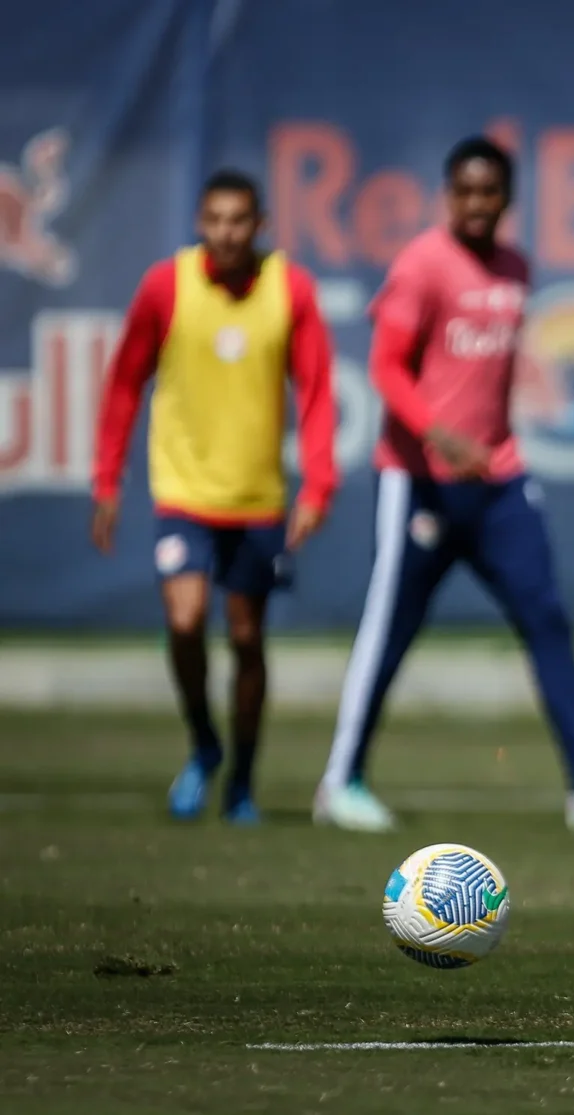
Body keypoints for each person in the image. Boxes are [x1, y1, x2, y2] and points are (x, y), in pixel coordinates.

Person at [312, 136, 574, 833]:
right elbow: (387, 366)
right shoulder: (423, 264)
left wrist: (479, 441)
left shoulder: (518, 264)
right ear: (447, 195)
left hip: (500, 478)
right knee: (390, 632)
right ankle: (340, 783)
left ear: (508, 199)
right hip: (421, 481)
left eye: (490, 192)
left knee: (546, 617)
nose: (477, 204)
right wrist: (436, 430)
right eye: (465, 191)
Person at [91, 168, 337, 825]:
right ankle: (204, 743)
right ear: (200, 223)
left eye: (238, 221)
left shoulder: (290, 289)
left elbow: (315, 391)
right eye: (214, 221)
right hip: (183, 490)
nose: (226, 233)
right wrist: (106, 479)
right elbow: (123, 383)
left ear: (260, 226)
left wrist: (318, 483)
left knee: (249, 638)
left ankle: (243, 781)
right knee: (183, 619)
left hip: (256, 498)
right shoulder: (166, 286)